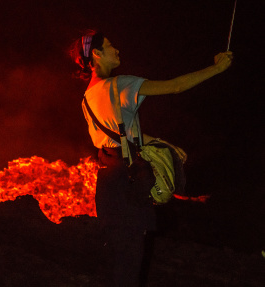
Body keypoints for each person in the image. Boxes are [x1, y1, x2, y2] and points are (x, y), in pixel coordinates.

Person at [70, 30, 233, 287]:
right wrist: (216, 68)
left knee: (118, 261)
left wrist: (159, 142)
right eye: (111, 46)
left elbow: (117, 135)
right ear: (97, 55)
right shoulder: (120, 84)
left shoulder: (87, 98)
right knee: (130, 262)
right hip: (129, 180)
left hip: (107, 183)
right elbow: (176, 85)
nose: (118, 50)